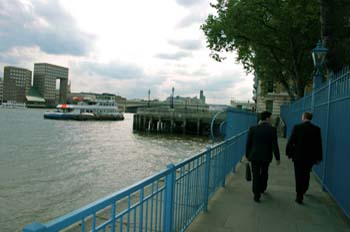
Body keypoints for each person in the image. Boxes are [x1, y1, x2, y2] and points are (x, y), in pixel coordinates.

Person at [286, 111, 323, 204]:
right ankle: (305, 188)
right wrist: (319, 158)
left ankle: (299, 195)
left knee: (298, 175)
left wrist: (289, 153)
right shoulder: (316, 129)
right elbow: (319, 144)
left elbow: (291, 141)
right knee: (306, 174)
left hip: (298, 156)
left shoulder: (297, 127)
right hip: (310, 158)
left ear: (304, 117)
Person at [246, 111, 281, 202]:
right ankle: (262, 188)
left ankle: (256, 195)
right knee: (264, 172)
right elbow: (275, 145)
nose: (271, 119)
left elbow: (248, 144)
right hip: (266, 156)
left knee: (256, 174)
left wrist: (247, 155)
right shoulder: (272, 130)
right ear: (267, 118)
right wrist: (277, 158)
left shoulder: (252, 128)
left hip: (254, 156)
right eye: (270, 117)